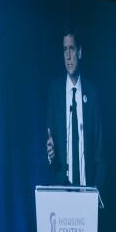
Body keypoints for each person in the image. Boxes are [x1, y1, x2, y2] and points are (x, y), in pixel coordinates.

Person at [46, 29, 105, 188]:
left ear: (79, 52)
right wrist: (50, 154)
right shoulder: (55, 91)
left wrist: (97, 191)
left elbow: (100, 151)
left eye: (71, 48)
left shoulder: (92, 94)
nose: (68, 56)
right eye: (65, 50)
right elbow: (50, 143)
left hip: (89, 190)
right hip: (62, 189)